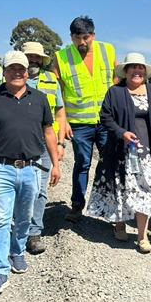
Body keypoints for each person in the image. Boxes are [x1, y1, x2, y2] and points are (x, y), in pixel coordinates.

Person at [0, 50, 60, 296]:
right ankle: (0, 271)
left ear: (28, 71)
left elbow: (49, 132)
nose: (17, 73)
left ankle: (17, 252)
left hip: (31, 169)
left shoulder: (39, 98)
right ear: (4, 71)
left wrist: (56, 164)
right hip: (0, 169)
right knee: (1, 220)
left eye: (22, 69)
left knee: (25, 219)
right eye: (12, 69)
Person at [86, 53, 151, 253]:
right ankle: (120, 224)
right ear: (125, 71)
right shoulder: (115, 92)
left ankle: (142, 237)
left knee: (147, 191)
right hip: (121, 152)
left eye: (140, 67)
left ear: (145, 71)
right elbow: (105, 117)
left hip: (148, 153)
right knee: (122, 190)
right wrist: (121, 132)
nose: (137, 71)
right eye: (132, 67)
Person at [51, 15, 118, 223]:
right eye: (77, 37)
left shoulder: (107, 50)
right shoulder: (60, 57)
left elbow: (118, 76)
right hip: (79, 124)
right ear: (71, 37)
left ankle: (110, 207)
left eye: (86, 37)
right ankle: (77, 205)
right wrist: (64, 122)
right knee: (82, 164)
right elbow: (56, 92)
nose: (82, 42)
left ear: (93, 35)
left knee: (111, 163)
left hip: (107, 122)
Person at [21, 41, 67, 254]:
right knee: (20, 188)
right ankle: (19, 228)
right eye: (30, 56)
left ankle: (34, 233)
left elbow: (60, 112)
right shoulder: (12, 79)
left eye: (37, 57)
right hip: (19, 143)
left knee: (40, 190)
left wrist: (60, 142)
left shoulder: (51, 80)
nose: (34, 60)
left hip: (45, 143)